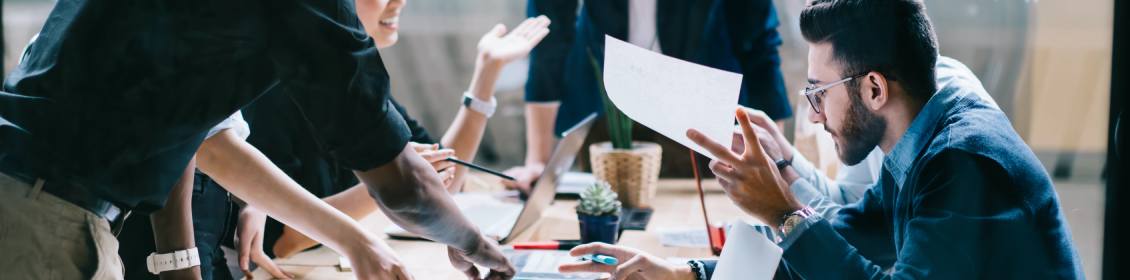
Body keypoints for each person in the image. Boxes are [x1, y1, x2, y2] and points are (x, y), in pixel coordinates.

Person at [0, 0, 513, 279]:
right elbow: (403, 184)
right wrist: (474, 242)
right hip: (34, 214)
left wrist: (180, 268)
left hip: (9, 202)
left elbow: (191, 131)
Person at [560, 0, 1086, 279]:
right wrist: (687, 272)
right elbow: (839, 245)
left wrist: (783, 212)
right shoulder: (919, 149)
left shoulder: (964, 161)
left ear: (874, 88)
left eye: (818, 94)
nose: (812, 117)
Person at [241, 0, 552, 263]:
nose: (400, 1)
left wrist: (487, 72)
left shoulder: (358, 87)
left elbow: (444, 181)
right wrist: (394, 183)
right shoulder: (272, 95)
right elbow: (281, 242)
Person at [503, 0, 794, 191]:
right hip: (606, 106)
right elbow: (548, 42)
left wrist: (777, 163)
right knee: (605, 212)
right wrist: (537, 162)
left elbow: (758, 46)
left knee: (703, 209)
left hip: (698, 103)